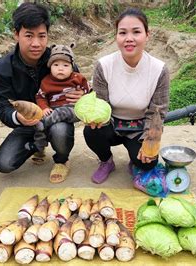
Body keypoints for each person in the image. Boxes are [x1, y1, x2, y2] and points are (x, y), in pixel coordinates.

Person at [0, 3, 84, 183]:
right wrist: (18, 117)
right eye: (29, 36)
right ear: (16, 34)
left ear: (48, 35)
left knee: (61, 131)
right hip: (28, 125)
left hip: (56, 120)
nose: (36, 43)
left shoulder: (60, 60)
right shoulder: (1, 70)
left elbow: (82, 88)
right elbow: (2, 107)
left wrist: (81, 97)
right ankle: (37, 147)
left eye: (42, 36)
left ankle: (62, 160)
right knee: (4, 164)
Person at [83, 8, 170, 184]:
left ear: (147, 35)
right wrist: (94, 118)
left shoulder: (159, 69)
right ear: (116, 36)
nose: (129, 38)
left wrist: (150, 140)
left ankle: (134, 158)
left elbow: (157, 111)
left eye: (136, 32)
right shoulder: (104, 65)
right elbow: (101, 104)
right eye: (122, 33)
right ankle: (106, 161)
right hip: (112, 123)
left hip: (139, 127)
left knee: (147, 164)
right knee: (91, 132)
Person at [25, 43, 90, 154]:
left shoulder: (78, 78)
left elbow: (89, 90)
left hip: (74, 109)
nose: (60, 69)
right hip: (53, 110)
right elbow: (41, 97)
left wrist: (83, 94)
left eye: (65, 65)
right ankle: (38, 146)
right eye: (56, 65)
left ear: (72, 67)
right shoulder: (46, 81)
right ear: (50, 67)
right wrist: (44, 108)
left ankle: (43, 123)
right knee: (40, 124)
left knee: (45, 120)